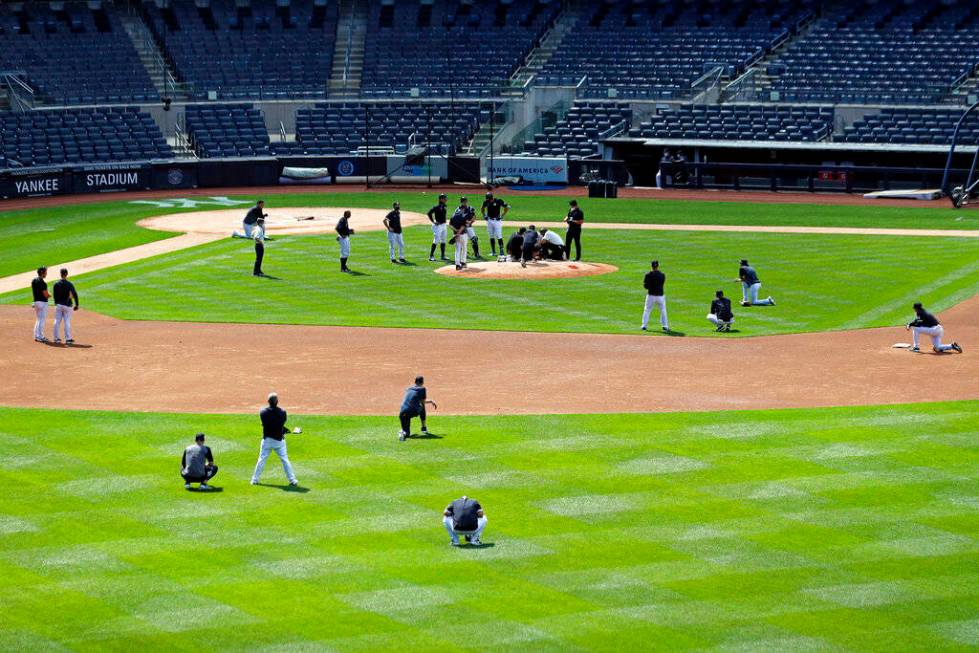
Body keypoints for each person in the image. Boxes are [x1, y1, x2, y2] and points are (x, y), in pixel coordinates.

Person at [250, 392, 300, 486]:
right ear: (277, 402)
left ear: (268, 401)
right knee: (285, 460)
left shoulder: (263, 412)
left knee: (261, 459)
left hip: (267, 441)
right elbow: (280, 424)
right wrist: (284, 430)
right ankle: (293, 480)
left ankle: (254, 480)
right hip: (279, 441)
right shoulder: (283, 412)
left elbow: (264, 424)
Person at [399, 375, 438, 441]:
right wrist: (431, 401)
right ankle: (424, 427)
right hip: (411, 411)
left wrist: (430, 401)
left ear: (415, 382)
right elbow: (422, 402)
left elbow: (413, 401)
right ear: (422, 382)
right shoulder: (422, 389)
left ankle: (402, 433)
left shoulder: (409, 389)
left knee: (407, 434)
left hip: (402, 413)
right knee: (422, 406)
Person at [52, 268, 79, 344]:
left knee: (57, 321)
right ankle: (68, 339)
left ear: (60, 274)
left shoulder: (56, 284)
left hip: (59, 305)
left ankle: (56, 338)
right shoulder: (69, 284)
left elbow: (54, 295)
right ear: (66, 274)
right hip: (67, 305)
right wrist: (77, 304)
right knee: (67, 321)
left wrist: (56, 303)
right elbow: (75, 294)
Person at [641, 260, 668, 332]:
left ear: (651, 266)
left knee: (647, 310)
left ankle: (644, 326)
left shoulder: (648, 275)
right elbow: (662, 284)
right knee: (663, 310)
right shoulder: (662, 275)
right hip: (660, 296)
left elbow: (645, 286)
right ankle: (665, 326)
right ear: (658, 266)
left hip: (651, 296)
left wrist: (649, 286)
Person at [481, 191, 509, 257]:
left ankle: (501, 252)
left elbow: (506, 207)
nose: (489, 201)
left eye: (489, 199)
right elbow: (482, 208)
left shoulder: (499, 201)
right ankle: (493, 252)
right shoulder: (486, 202)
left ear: (492, 198)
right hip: (489, 221)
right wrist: (484, 215)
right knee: (491, 236)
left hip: (497, 221)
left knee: (499, 236)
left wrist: (502, 215)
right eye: (487, 199)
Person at [449, 198, 470, 271]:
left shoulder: (453, 216)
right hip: (462, 235)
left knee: (457, 249)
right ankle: (463, 262)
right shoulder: (462, 217)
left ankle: (457, 265)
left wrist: (456, 231)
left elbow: (450, 225)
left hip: (455, 235)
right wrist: (459, 232)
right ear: (462, 210)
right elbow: (463, 226)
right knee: (464, 248)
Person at [428, 193, 449, 261]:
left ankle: (443, 256)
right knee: (436, 240)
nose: (446, 199)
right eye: (444, 198)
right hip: (438, 226)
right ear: (440, 199)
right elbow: (429, 213)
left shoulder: (445, 206)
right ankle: (431, 256)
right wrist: (433, 221)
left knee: (443, 240)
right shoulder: (436, 207)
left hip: (444, 225)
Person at [31, 266, 49, 343]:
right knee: (42, 320)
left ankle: (36, 335)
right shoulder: (43, 283)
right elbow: (46, 295)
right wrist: (49, 295)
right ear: (42, 272)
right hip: (42, 303)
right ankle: (40, 336)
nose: (46, 273)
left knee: (38, 319)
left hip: (36, 302)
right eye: (45, 272)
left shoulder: (33, 281)